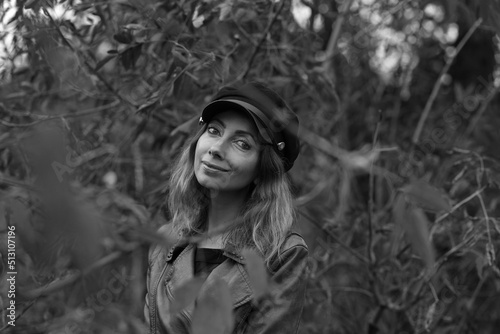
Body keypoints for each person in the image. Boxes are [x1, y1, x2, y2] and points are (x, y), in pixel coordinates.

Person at [144, 82, 309, 334]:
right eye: (213, 130)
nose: (216, 149)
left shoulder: (282, 255)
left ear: (262, 170)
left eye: (242, 143)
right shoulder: (165, 242)